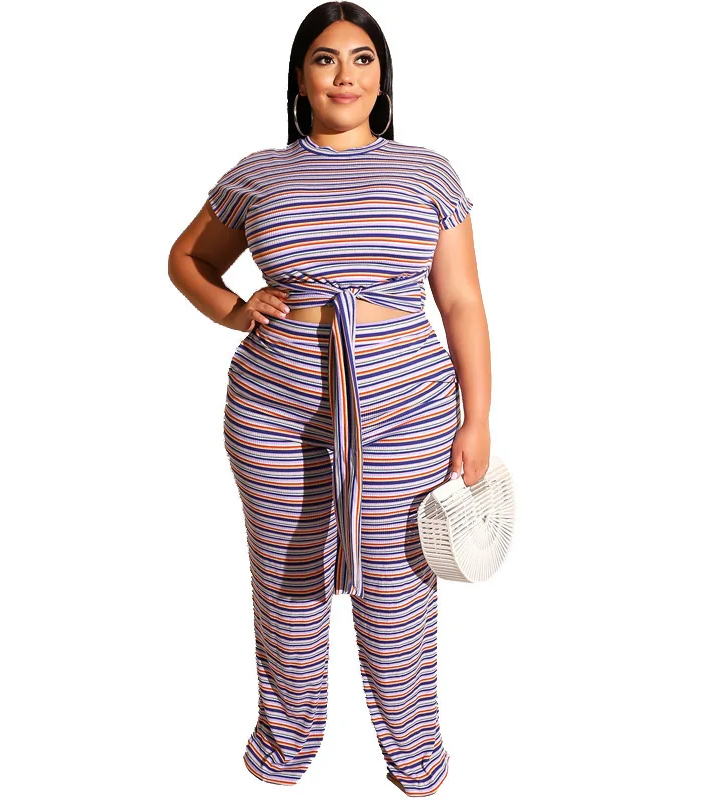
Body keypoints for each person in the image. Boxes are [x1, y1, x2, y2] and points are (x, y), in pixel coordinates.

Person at [168, 3, 491, 795]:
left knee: (399, 590)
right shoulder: (258, 174)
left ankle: (416, 757)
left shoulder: (427, 172)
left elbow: (461, 302)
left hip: (407, 412)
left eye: (362, 58)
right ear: (300, 77)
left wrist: (478, 417)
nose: (345, 74)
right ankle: (285, 748)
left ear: (383, 77)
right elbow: (187, 259)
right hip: (275, 414)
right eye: (325, 58)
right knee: (288, 584)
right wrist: (234, 310)